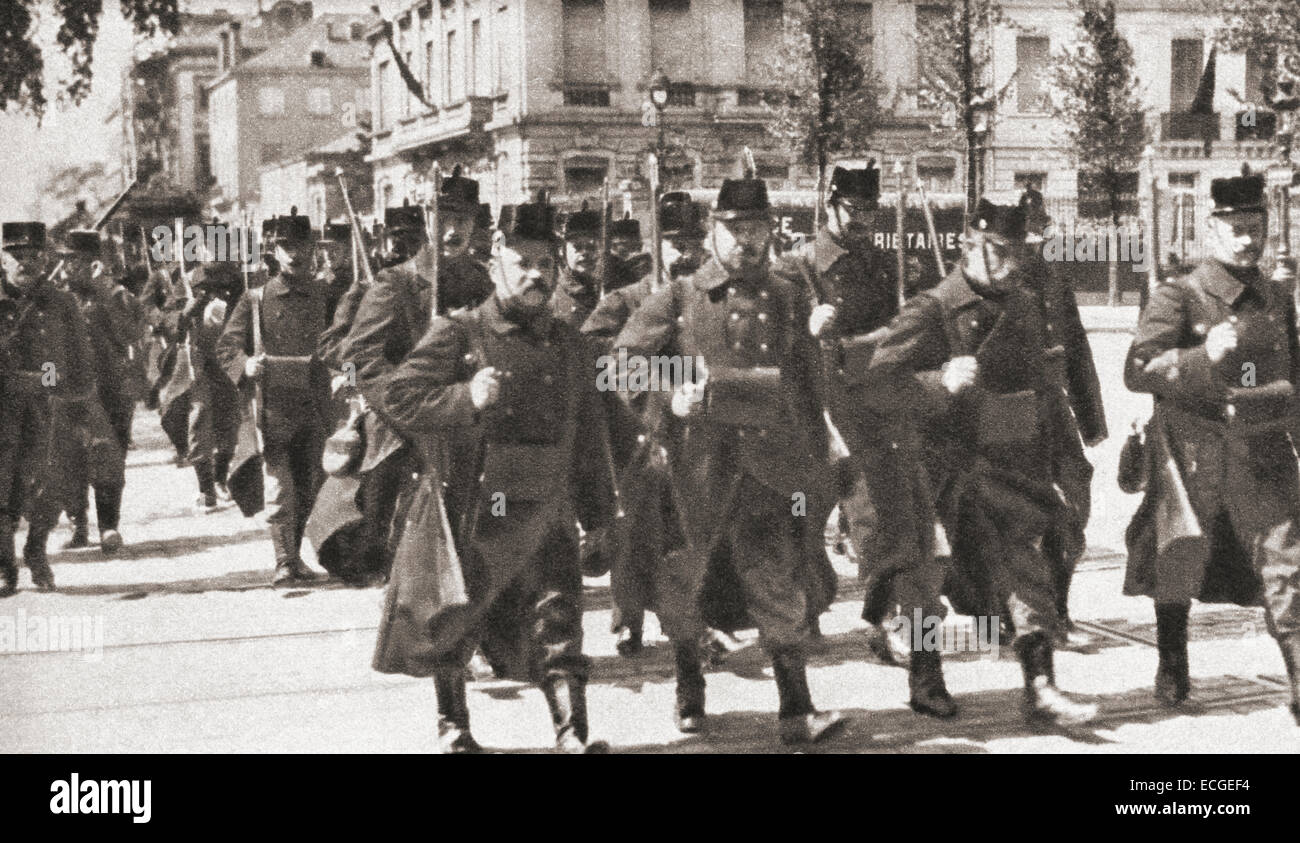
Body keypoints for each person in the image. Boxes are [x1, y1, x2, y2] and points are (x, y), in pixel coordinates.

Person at [376, 199, 615, 754]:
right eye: (522, 262)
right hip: (475, 503)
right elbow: (398, 395)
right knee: (457, 616)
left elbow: (587, 436)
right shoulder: (459, 333)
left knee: (558, 617)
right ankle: (454, 727)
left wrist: (599, 515)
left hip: (548, 505)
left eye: (544, 264)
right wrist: (464, 397)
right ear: (495, 263)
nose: (535, 275)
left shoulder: (570, 345)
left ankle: (572, 733)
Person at [612, 174, 844, 744]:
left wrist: (822, 454)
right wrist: (672, 390)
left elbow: (808, 386)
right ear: (714, 232)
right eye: (735, 229)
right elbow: (617, 366)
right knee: (682, 581)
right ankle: (689, 688)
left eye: (757, 228)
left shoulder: (789, 295)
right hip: (698, 467)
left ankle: (796, 708)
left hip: (770, 467)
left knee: (778, 580)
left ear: (771, 231)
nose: (746, 240)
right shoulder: (681, 297)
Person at [864, 200, 1099, 725]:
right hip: (933, 465)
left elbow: (1041, 389)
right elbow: (877, 386)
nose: (1013, 262)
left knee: (1026, 570)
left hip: (1003, 461)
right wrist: (936, 381)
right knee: (924, 578)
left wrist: (1056, 466)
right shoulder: (931, 308)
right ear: (970, 245)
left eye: (1020, 251)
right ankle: (925, 678)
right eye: (1000, 251)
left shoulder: (1025, 305)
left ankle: (1040, 687)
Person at [1124, 172, 1300, 724]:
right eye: (1237, 229)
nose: (1248, 240)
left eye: (1256, 228)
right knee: (1179, 558)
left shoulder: (1277, 297)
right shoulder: (1180, 294)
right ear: (1212, 229)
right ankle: (1172, 661)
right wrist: (1202, 358)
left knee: (1287, 564)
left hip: (1264, 453)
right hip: (1195, 455)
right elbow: (1137, 371)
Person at [803, 164, 954, 716]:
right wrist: (809, 329)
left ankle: (927, 673)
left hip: (888, 421)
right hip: (830, 425)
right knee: (785, 547)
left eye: (871, 211)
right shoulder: (800, 271)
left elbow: (916, 339)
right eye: (852, 211)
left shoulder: (890, 266)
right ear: (830, 207)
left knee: (910, 541)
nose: (863, 221)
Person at [581, 192, 707, 657]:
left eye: (693, 240)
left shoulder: (707, 298)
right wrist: (665, 386)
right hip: (637, 429)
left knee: (691, 531)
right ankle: (628, 616)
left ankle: (694, 624)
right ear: (655, 245)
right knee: (635, 530)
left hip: (699, 431)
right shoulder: (628, 299)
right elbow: (598, 360)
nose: (684, 251)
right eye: (674, 241)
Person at [217, 212, 330, 587]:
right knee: (281, 490)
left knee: (309, 485)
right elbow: (227, 346)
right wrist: (245, 364)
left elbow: (347, 344)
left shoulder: (324, 296)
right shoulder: (256, 299)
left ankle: (296, 557)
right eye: (286, 247)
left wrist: (346, 373)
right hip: (273, 408)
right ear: (273, 251)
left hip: (315, 405)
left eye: (301, 246)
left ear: (313, 249)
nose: (294, 254)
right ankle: (283, 561)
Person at [0, 222, 96, 595]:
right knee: (3, 487)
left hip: (50, 408)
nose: (26, 264)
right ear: (3, 260)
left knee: (52, 486)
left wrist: (77, 402)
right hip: (4, 409)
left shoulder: (61, 301)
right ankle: (6, 565)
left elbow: (79, 357)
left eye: (34, 257)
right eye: (17, 257)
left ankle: (36, 550)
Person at [59, 229, 134, 554]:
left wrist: (102, 291)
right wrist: (48, 386)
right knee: (68, 458)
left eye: (73, 261)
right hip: (69, 393)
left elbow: (128, 335)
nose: (66, 268)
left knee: (110, 459)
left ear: (92, 263)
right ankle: (79, 524)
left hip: (112, 390)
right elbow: (44, 350)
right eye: (65, 261)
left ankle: (108, 526)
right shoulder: (56, 298)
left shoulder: (115, 295)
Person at [551, 204, 603, 329]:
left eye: (591, 248)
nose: (585, 253)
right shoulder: (553, 298)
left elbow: (624, 346)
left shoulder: (608, 289)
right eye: (577, 247)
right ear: (562, 251)